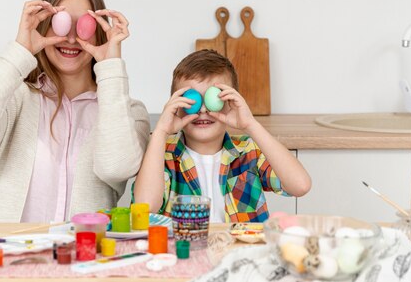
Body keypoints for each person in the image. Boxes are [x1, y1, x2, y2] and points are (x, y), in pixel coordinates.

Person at [0, 0, 150, 222]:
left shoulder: (126, 111)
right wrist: (21, 50)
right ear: (44, 26)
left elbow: (116, 167)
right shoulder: (16, 97)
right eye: (61, 23)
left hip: (83, 255)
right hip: (4, 252)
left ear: (99, 33)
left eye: (85, 27)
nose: (72, 38)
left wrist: (111, 66)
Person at [133, 50, 311, 222]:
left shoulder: (248, 152)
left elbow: (300, 185)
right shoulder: (162, 154)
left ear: (230, 103)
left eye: (214, 100)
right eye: (191, 101)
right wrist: (161, 131)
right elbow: (146, 207)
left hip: (241, 251)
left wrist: (250, 125)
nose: (202, 110)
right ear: (176, 106)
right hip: (185, 251)